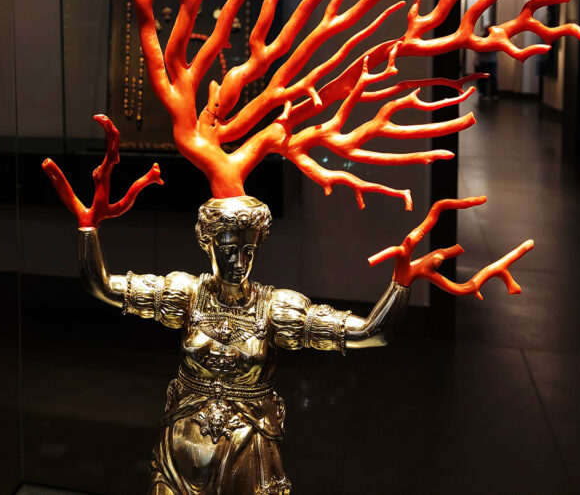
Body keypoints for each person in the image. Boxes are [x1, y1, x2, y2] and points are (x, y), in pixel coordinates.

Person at [77, 195, 410, 495]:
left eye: (248, 251)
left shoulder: (277, 310)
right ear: (208, 246)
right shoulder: (185, 296)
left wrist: (401, 284)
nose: (239, 262)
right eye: (228, 251)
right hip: (181, 446)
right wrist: (88, 229)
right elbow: (100, 285)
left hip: (247, 447)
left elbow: (371, 332)